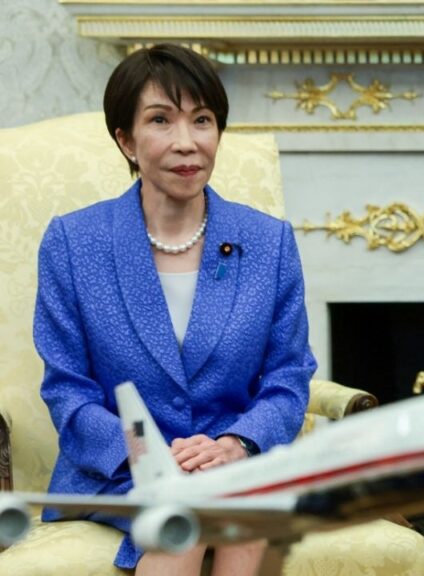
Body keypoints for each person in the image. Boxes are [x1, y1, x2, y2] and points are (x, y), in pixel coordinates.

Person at [31, 44, 317, 575]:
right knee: (186, 513)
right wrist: (152, 459)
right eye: (161, 120)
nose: (187, 142)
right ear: (126, 140)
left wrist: (237, 443)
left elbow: (289, 377)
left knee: (235, 510)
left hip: (234, 465)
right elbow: (67, 390)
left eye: (202, 120)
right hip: (118, 468)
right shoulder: (74, 242)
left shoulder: (267, 242)